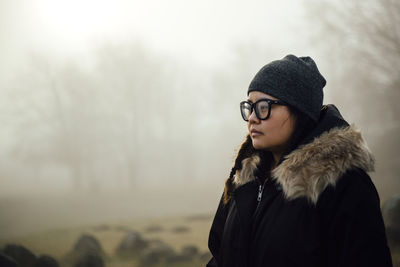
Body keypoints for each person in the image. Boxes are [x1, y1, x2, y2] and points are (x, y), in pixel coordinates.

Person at [207, 55, 393, 267]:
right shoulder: (244, 179)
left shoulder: (341, 185)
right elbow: (220, 256)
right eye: (249, 106)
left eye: (264, 106)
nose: (252, 118)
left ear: (300, 111)